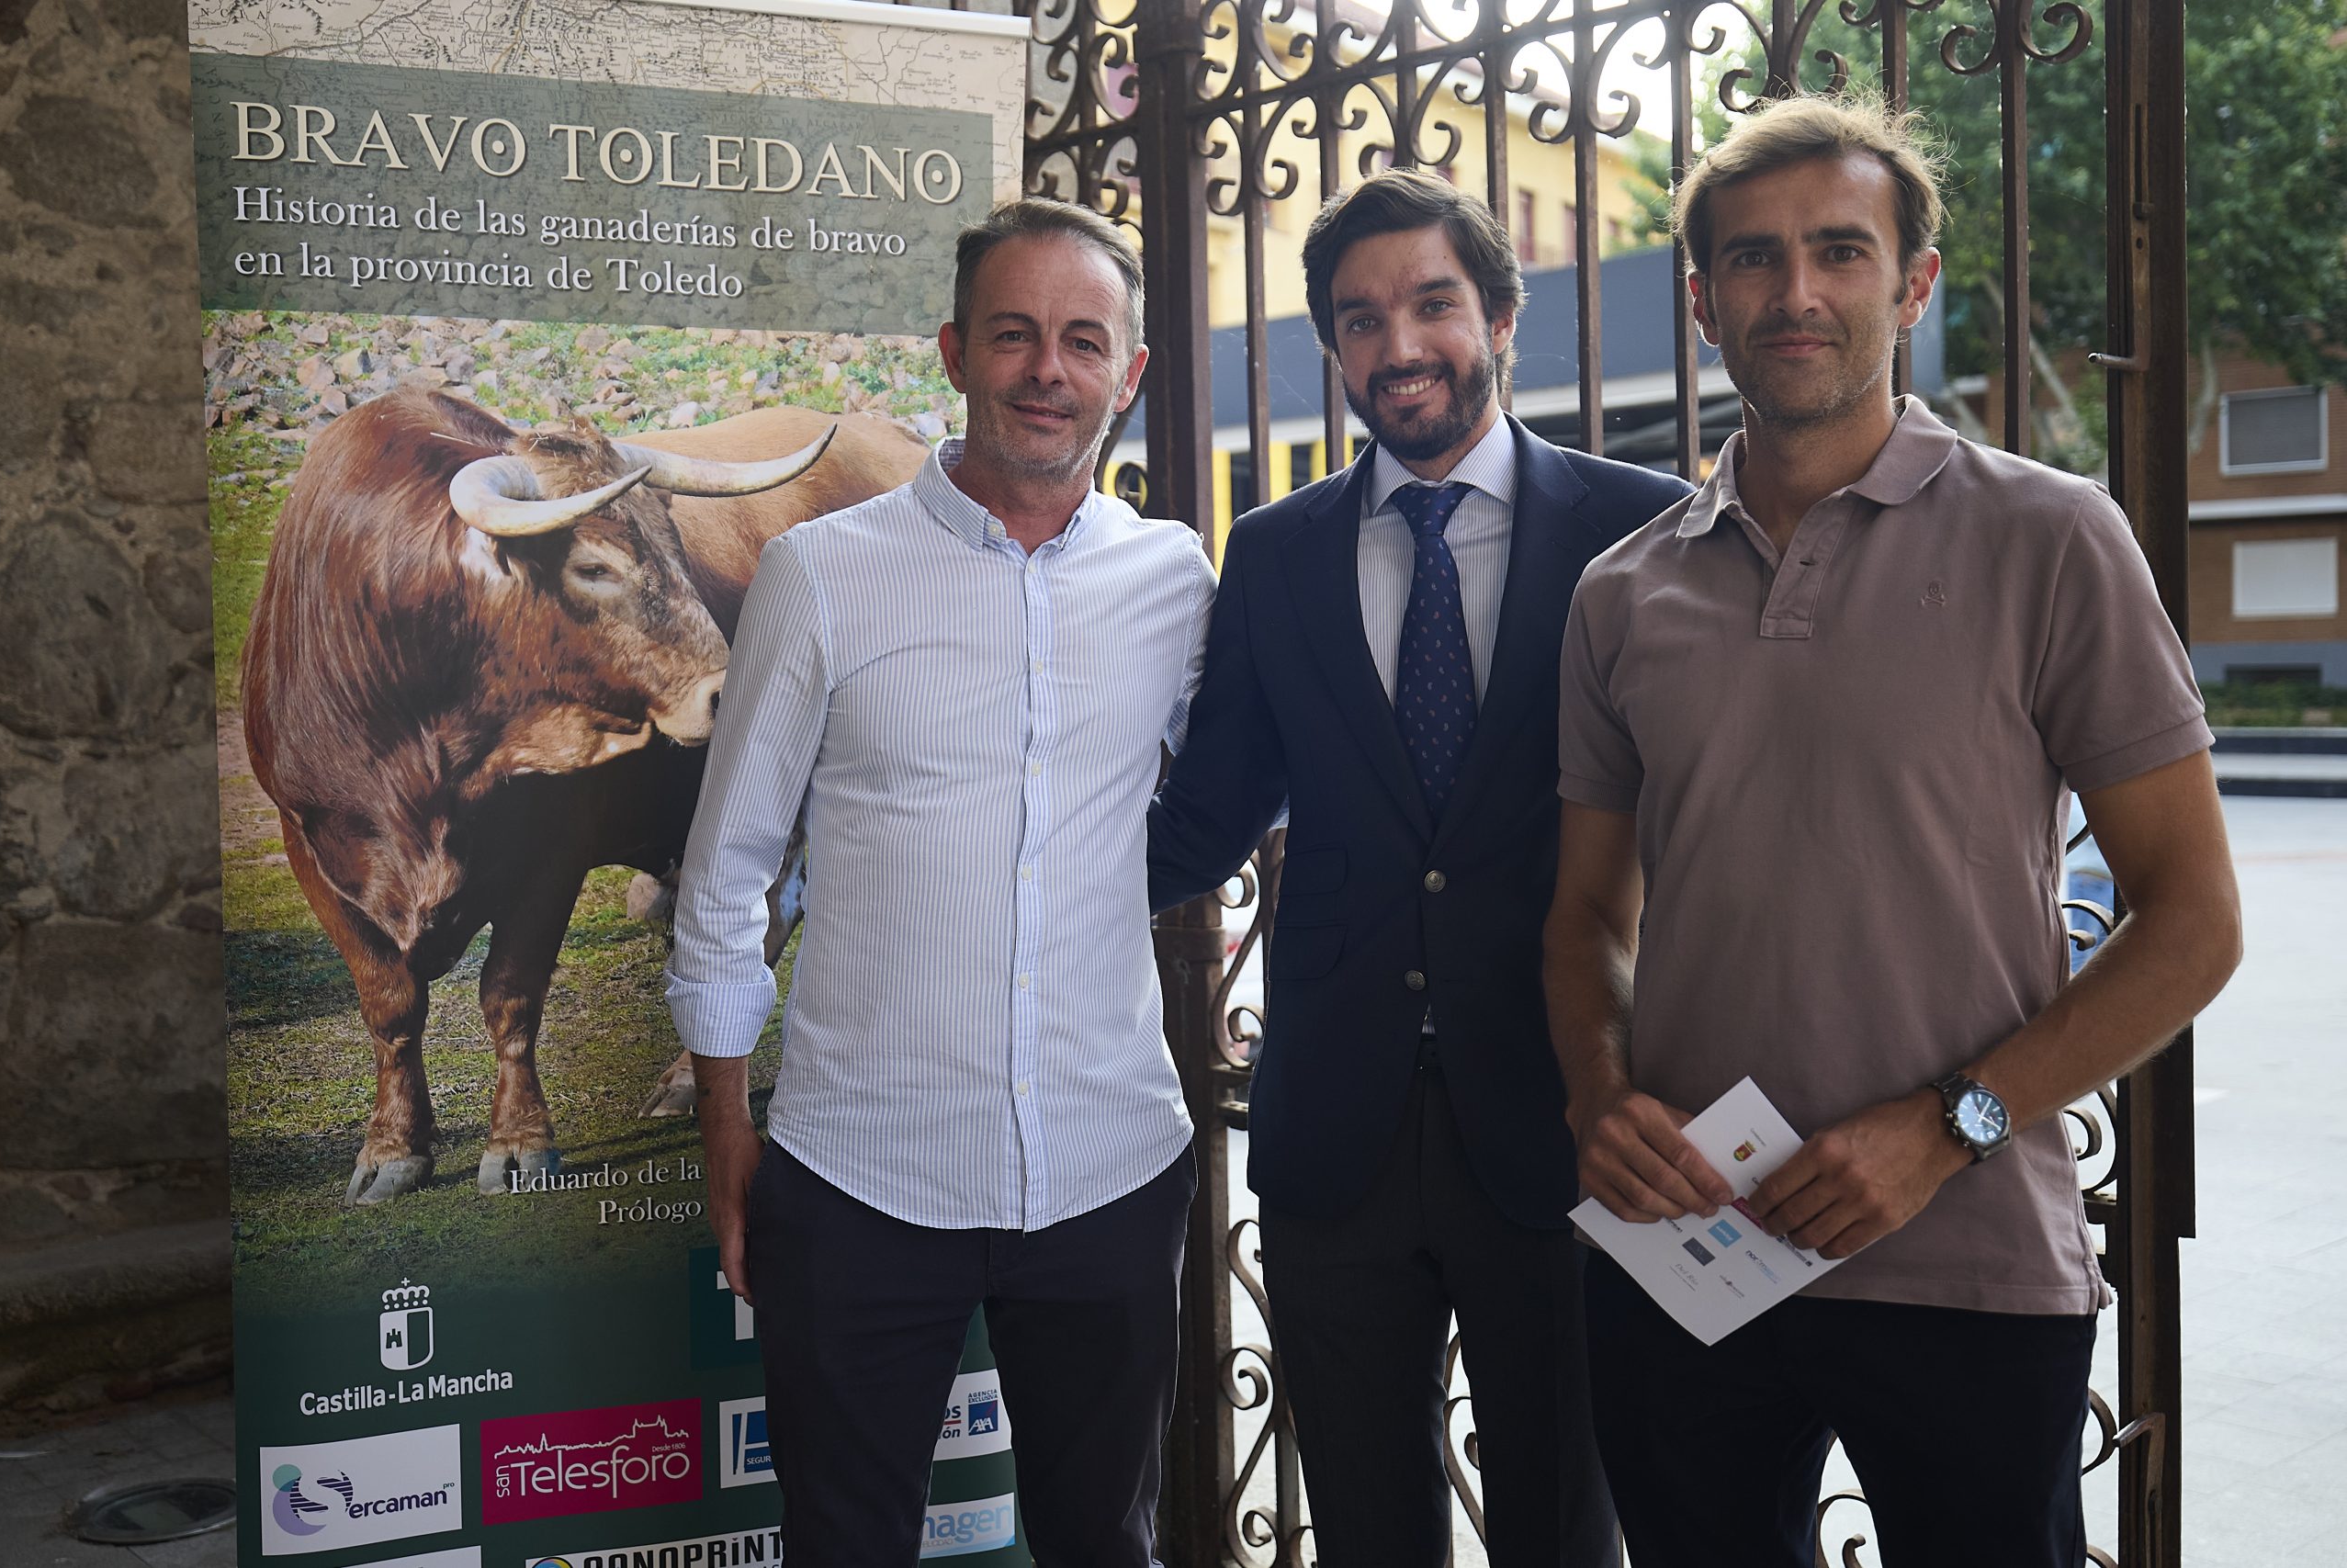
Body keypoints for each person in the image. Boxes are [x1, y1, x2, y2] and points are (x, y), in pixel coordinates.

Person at [1542, 96, 2241, 1568]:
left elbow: (2191, 920)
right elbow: (1588, 916)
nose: (1796, 293)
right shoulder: (1621, 592)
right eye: (1754, 260)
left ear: (1912, 285)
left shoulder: (2052, 538)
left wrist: (1948, 1130)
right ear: (1702, 300)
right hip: (1692, 1257)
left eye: (1841, 252)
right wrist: (1601, 1096)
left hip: (1967, 1266)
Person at [1149, 170, 1689, 1565]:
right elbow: (1201, 819)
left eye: (1433, 304)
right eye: (1359, 320)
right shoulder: (1270, 557)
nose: (1399, 348)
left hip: (1570, 1122)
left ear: (1502, 313)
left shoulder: (1644, 531)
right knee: (1368, 1533)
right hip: (1340, 1138)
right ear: (1332, 350)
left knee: (1566, 1529)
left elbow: (1712, 819)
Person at [668, 199, 1211, 1567]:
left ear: (1127, 375)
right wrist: (728, 1122)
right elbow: (727, 869)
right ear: (957, 351)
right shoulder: (821, 575)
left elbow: (1230, 803)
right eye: (1015, 334)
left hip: (1109, 1167)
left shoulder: (1174, 582)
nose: (1049, 370)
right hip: (862, 1184)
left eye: (1084, 341)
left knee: (1107, 1541)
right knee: (847, 1546)